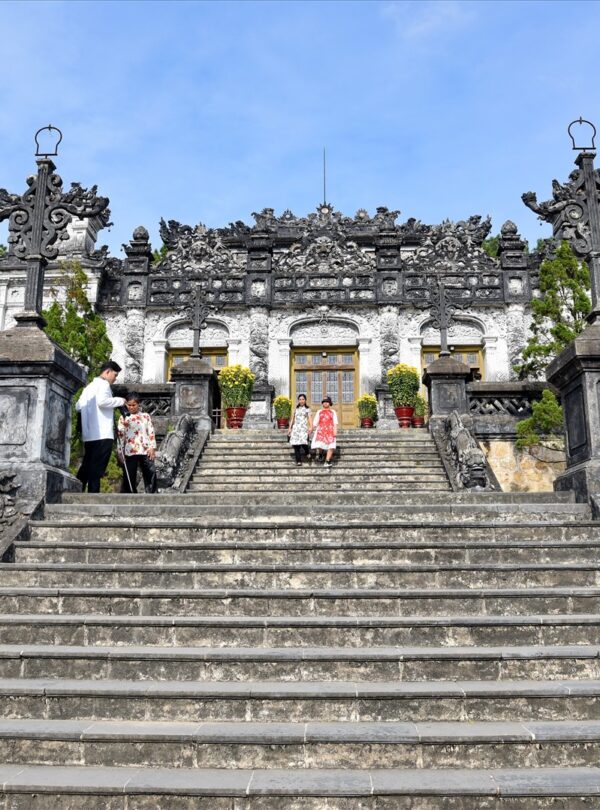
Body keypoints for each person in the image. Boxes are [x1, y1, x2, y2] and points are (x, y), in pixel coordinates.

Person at [76, 361, 126, 493]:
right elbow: (102, 401)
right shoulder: (104, 384)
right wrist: (120, 400)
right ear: (107, 372)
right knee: (97, 468)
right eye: (115, 375)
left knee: (87, 465)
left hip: (89, 434)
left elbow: (78, 406)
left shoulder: (89, 387)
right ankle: (93, 494)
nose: (115, 379)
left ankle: (77, 490)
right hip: (102, 433)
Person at [117, 392, 158, 493]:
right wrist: (120, 451)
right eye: (129, 405)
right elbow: (120, 435)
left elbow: (151, 432)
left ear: (138, 404)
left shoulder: (145, 416)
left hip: (145, 449)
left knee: (150, 473)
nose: (131, 407)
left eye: (134, 405)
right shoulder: (123, 417)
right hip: (130, 450)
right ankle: (131, 495)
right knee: (130, 476)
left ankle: (152, 494)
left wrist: (152, 447)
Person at [311, 396, 338, 468]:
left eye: (327, 401)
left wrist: (335, 431)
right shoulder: (319, 412)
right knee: (320, 444)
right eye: (324, 402)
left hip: (330, 430)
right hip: (321, 430)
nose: (325, 403)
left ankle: (327, 461)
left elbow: (335, 423)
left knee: (331, 446)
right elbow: (315, 422)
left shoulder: (333, 412)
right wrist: (311, 429)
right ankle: (320, 453)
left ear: (330, 403)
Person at [287, 393, 313, 466]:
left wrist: (311, 427)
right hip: (296, 429)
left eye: (303, 399)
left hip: (303, 429)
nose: (301, 401)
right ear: (298, 400)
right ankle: (298, 461)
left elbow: (310, 419)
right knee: (296, 445)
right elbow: (292, 419)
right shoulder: (295, 409)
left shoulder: (307, 409)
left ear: (305, 400)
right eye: (300, 399)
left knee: (303, 442)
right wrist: (290, 428)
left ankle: (307, 452)